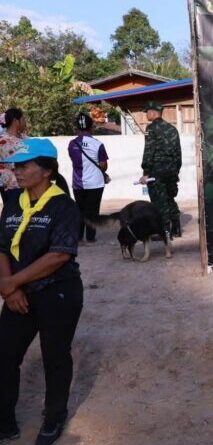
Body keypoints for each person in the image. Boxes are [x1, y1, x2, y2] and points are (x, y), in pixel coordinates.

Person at [0, 138, 83, 445]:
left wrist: (12, 283)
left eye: (24, 166)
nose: (17, 171)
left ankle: (54, 417)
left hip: (57, 292)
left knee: (55, 356)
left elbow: (59, 255)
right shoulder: (12, 201)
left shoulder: (64, 207)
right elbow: (2, 247)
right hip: (18, 293)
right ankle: (5, 421)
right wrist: (10, 288)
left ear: (47, 170)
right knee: (5, 354)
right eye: (15, 166)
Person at [138, 101, 182, 238]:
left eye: (147, 112)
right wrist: (175, 171)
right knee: (170, 198)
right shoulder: (172, 129)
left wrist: (146, 172)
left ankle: (164, 232)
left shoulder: (151, 128)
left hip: (156, 172)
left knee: (158, 202)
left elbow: (149, 151)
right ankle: (176, 228)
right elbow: (178, 153)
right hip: (171, 171)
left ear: (153, 112)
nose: (146, 114)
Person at [68, 112, 109, 243]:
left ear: (77, 128)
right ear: (91, 127)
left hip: (78, 183)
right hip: (95, 183)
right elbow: (103, 166)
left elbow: (74, 161)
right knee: (92, 211)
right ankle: (90, 237)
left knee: (79, 210)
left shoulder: (72, 144)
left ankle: (79, 236)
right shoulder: (98, 144)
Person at [0, 108, 26, 202]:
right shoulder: (3, 141)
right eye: (23, 119)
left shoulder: (25, 138)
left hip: (27, 184)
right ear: (15, 121)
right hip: (12, 187)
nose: (25, 122)